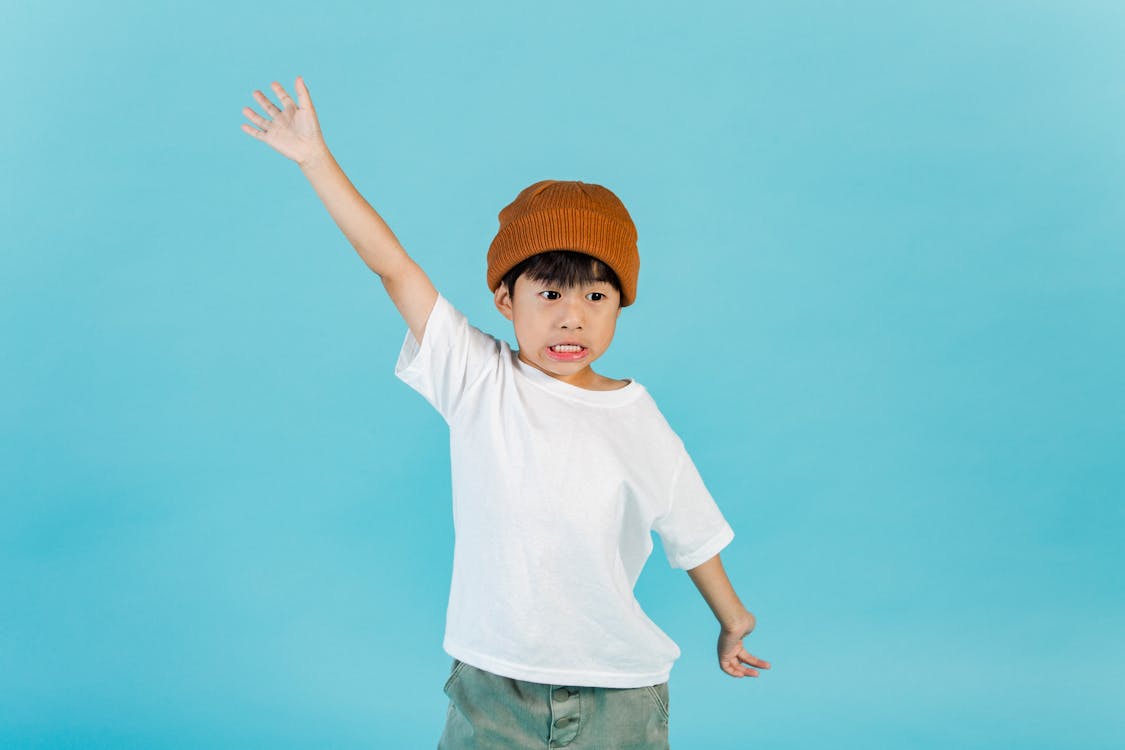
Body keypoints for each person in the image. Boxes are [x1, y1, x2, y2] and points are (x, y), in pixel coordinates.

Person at [241, 76, 771, 749]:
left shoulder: (638, 416)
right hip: (493, 687)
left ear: (619, 305)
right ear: (504, 300)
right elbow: (394, 268)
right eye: (548, 293)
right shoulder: (477, 378)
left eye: (596, 297)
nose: (570, 317)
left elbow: (691, 531)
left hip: (620, 695)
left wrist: (732, 618)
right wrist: (317, 161)